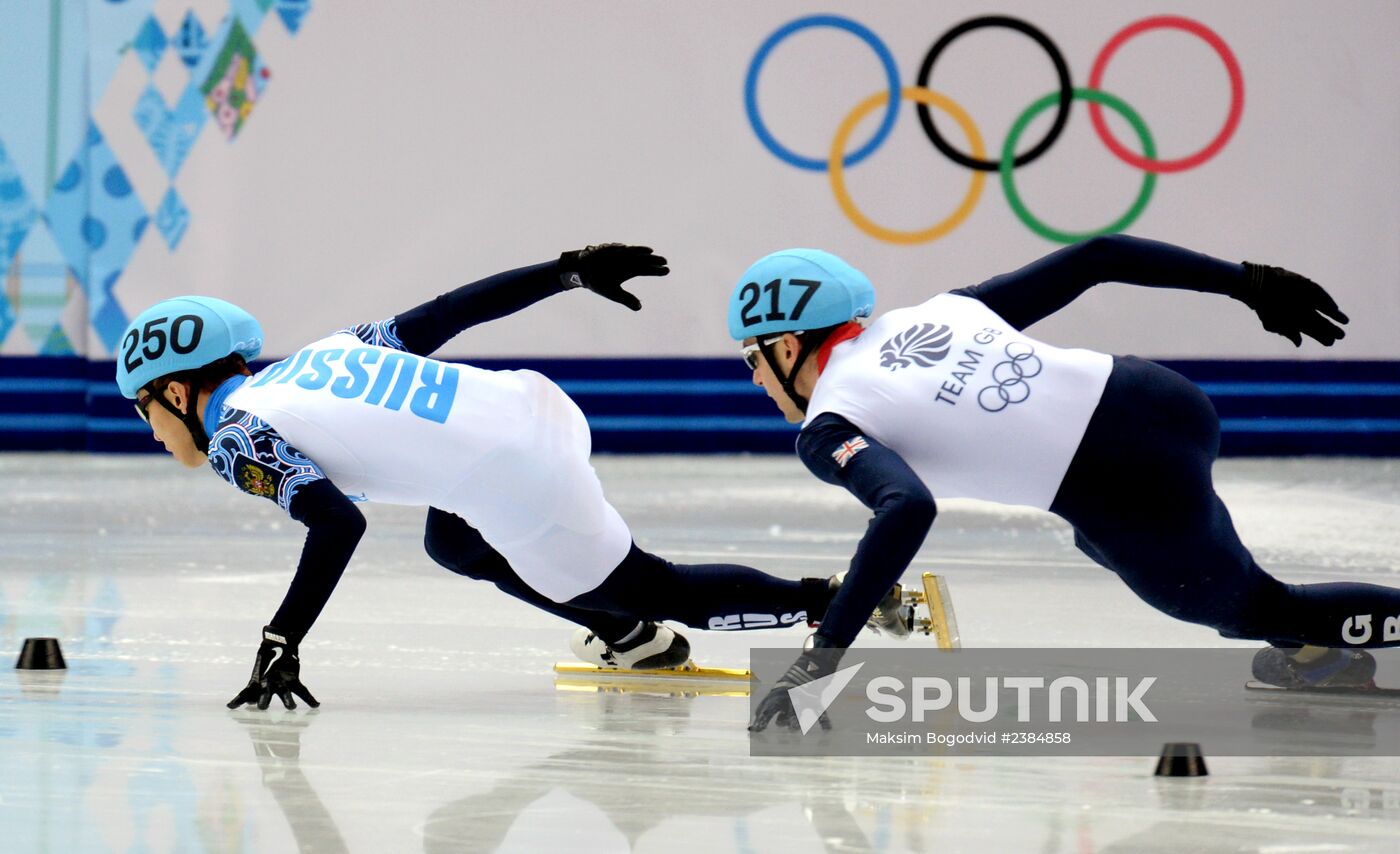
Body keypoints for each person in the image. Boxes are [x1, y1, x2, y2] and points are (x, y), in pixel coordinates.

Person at [116, 244, 891, 711]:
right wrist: (565, 271)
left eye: (146, 408)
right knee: (449, 542)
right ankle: (627, 636)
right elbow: (447, 314)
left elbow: (337, 523)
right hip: (527, 406)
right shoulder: (323, 351)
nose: (150, 430)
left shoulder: (234, 436)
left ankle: (831, 601)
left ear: (178, 392)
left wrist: (282, 637)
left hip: (512, 478)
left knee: (658, 587)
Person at [733, 236, 1400, 732]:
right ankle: (1316, 651)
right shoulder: (933, 312)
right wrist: (1249, 282)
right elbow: (1097, 257)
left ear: (787, 346)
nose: (756, 381)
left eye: (752, 359)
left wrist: (820, 662)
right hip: (1162, 397)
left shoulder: (829, 424)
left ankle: (1315, 642)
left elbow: (906, 507)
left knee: (1251, 606)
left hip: (1125, 477)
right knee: (1096, 541)